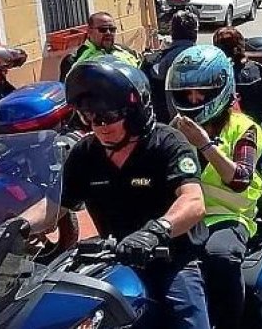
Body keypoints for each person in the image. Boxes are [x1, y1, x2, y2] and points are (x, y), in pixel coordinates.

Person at [61, 56, 210, 329]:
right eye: (90, 117)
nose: (100, 126)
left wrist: (155, 232)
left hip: (172, 259)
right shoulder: (84, 154)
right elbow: (53, 209)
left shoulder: (167, 142)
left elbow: (193, 201)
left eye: (108, 117)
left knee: (187, 317)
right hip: (115, 260)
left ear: (134, 113)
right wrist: (13, 226)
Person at [164, 46, 262, 329]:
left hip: (228, 216)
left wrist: (205, 145)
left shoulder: (244, 128)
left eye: (202, 92)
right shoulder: (175, 128)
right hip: (183, 214)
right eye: (188, 93)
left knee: (219, 256)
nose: (194, 99)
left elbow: (240, 178)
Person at [144, 11, 200, 123]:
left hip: (165, 122)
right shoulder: (205, 57)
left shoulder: (157, 61)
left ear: (172, 32)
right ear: (195, 32)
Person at [59, 12, 142, 81]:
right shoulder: (74, 59)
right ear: (89, 31)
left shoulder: (125, 51)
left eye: (112, 29)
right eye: (103, 29)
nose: (108, 33)